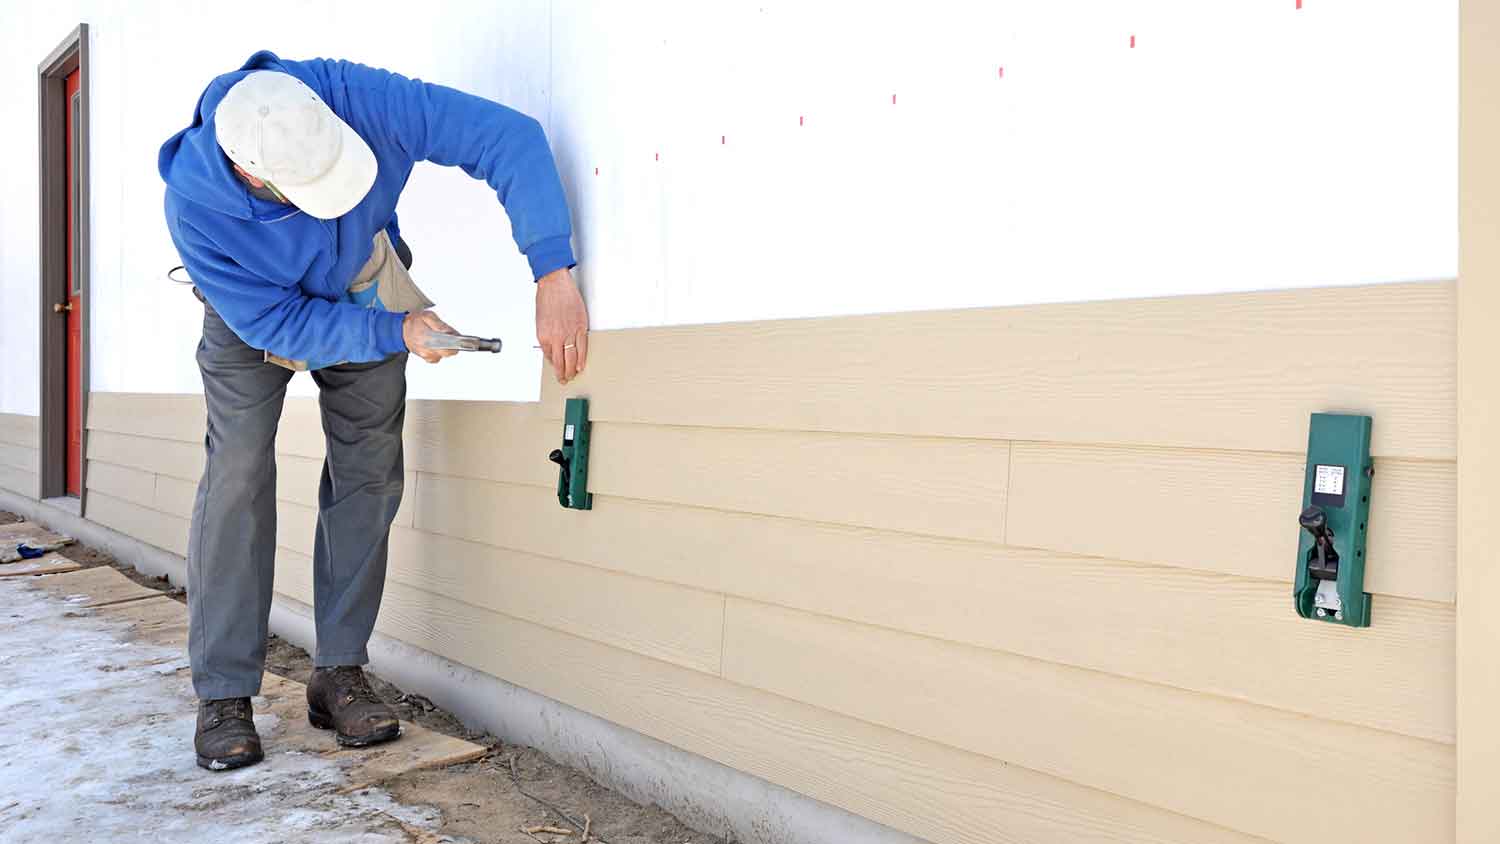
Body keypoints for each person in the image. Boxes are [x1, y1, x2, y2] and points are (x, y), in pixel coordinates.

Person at [157, 50, 588, 771]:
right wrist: (396, 332)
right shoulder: (196, 206)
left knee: (369, 471)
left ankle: (339, 673)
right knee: (236, 474)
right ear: (252, 176)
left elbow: (508, 136)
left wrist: (553, 269)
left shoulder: (359, 96)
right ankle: (225, 694)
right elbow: (278, 326)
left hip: (363, 276)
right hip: (253, 316)